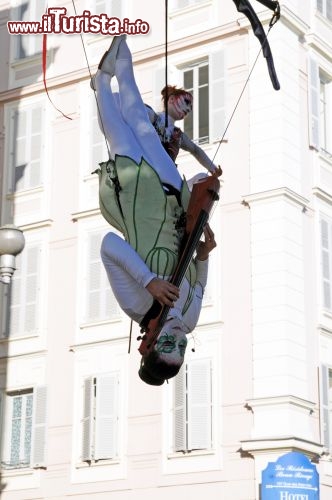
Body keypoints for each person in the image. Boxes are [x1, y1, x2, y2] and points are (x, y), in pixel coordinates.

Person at [93, 35, 218, 385]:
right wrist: (204, 257)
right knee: (141, 123)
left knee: (119, 131)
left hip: (139, 194)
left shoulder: (137, 305)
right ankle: (122, 56)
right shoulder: (189, 319)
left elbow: (108, 245)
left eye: (167, 342)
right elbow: (199, 288)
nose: (178, 334)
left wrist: (148, 282)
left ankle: (101, 81)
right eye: (182, 344)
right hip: (173, 195)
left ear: (147, 344)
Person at [146, 86, 222, 176]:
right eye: (186, 102)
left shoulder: (178, 134)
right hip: (147, 165)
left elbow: (196, 150)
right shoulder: (153, 116)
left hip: (166, 173)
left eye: (191, 107)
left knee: (203, 177)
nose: (189, 109)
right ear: (171, 99)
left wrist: (213, 168)